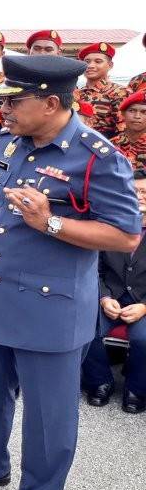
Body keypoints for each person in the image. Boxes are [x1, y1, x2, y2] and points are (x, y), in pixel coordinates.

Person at [0, 54, 141, 490]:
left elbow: (125, 236)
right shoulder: (9, 143)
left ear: (51, 103)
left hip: (52, 305)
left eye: (15, 101)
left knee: (49, 416)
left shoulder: (97, 157)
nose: (3, 109)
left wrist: (50, 223)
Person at [81, 169, 146, 414]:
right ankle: (99, 381)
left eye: (144, 192)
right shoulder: (110, 227)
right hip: (112, 296)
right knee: (86, 329)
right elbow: (93, 268)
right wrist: (104, 296)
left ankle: (137, 390)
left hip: (143, 302)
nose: (139, 196)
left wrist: (144, 306)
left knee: (143, 339)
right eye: (135, 191)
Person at [77, 42, 127, 139]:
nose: (90, 65)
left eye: (98, 61)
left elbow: (124, 131)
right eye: (87, 62)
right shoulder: (77, 93)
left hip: (104, 147)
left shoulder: (119, 92)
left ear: (110, 65)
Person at [111, 91, 146, 171]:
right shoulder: (111, 145)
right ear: (123, 114)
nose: (137, 116)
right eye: (132, 111)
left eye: (144, 112)